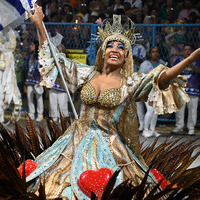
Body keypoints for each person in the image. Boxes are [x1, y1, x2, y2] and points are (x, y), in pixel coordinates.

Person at [27, 4, 199, 199]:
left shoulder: (130, 83)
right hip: (75, 140)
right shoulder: (86, 73)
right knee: (51, 186)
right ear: (103, 51)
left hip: (110, 147)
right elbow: (52, 58)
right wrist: (39, 24)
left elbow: (161, 78)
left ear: (126, 57)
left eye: (121, 47)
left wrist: (190, 59)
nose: (115, 50)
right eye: (110, 45)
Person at [138, 46, 167, 137]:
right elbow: (140, 77)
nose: (155, 54)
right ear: (149, 54)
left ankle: (152, 129)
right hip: (147, 89)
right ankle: (145, 130)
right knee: (150, 109)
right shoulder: (145, 64)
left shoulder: (162, 63)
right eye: (153, 52)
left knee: (155, 110)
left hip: (157, 90)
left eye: (157, 51)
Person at [172, 44, 200, 135]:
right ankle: (179, 126)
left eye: (189, 49)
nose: (187, 51)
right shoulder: (179, 60)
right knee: (179, 109)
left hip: (193, 89)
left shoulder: (197, 60)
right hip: (180, 89)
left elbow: (199, 71)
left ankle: (191, 127)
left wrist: (190, 64)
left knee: (193, 110)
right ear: (183, 51)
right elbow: (173, 71)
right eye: (185, 49)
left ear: (192, 51)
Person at [49, 44, 69, 122]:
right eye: (58, 50)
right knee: (53, 103)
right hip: (53, 85)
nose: (59, 52)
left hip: (62, 86)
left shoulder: (67, 62)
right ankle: (54, 117)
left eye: (61, 50)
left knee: (62, 103)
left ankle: (63, 118)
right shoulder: (52, 61)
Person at [25, 41, 44, 122]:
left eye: (32, 45)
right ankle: (31, 113)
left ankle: (40, 114)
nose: (30, 46)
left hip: (37, 80)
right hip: (29, 80)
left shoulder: (41, 57)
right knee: (30, 97)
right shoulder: (30, 56)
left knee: (39, 98)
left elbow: (43, 69)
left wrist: (41, 79)